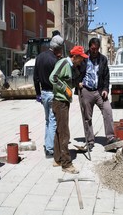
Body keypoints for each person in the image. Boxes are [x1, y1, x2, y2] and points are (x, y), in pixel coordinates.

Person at [49, 45, 88, 174]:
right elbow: (53, 78)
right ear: (75, 56)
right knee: (64, 132)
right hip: (60, 102)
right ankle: (66, 164)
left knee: (59, 131)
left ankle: (58, 159)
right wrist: (65, 88)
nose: (82, 61)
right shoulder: (64, 63)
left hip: (63, 101)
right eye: (80, 58)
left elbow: (70, 78)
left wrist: (76, 83)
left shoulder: (71, 66)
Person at [77, 38, 120, 150]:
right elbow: (75, 71)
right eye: (92, 49)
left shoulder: (103, 59)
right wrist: (78, 82)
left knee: (108, 111)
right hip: (86, 90)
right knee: (87, 117)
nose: (94, 51)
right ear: (89, 47)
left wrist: (106, 89)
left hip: (100, 91)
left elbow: (106, 76)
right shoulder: (83, 58)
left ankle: (110, 138)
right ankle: (90, 140)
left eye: (96, 49)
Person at [34, 35, 64, 158]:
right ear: (58, 48)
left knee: (47, 120)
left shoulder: (40, 57)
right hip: (52, 93)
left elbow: (35, 78)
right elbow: (58, 80)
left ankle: (47, 144)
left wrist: (38, 94)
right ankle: (50, 149)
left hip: (43, 93)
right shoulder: (55, 61)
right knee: (53, 121)